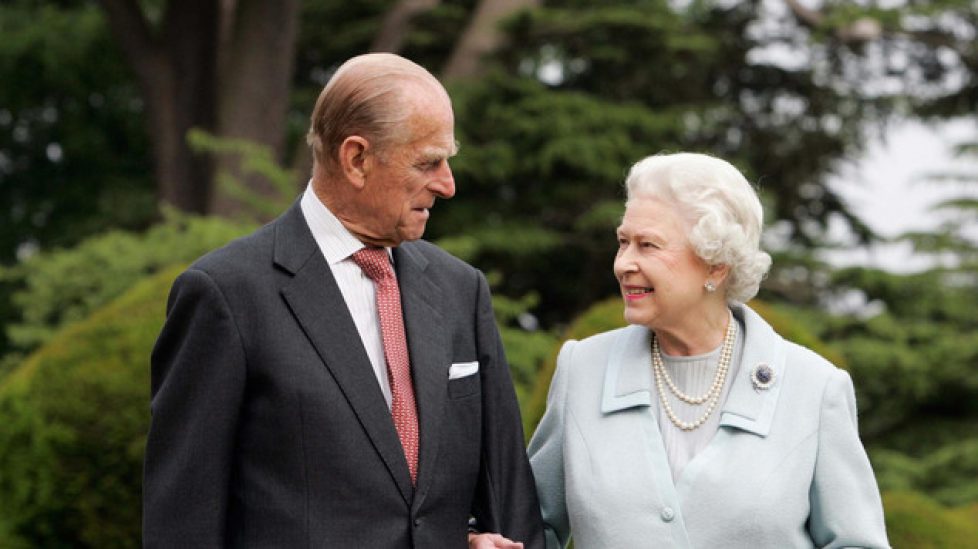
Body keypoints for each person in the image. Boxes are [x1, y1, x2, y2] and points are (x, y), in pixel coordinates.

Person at [144, 53, 543, 548]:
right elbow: (182, 524)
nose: (447, 184)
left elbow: (508, 498)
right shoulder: (224, 294)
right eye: (428, 162)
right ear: (356, 159)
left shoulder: (462, 290)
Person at [528, 152, 890, 548]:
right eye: (623, 242)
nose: (623, 263)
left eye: (648, 245)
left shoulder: (815, 389)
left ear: (716, 265)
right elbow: (529, 528)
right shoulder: (582, 370)